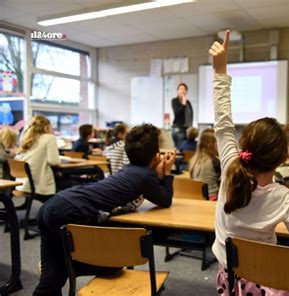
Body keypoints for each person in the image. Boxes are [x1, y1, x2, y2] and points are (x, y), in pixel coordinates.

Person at [209, 30, 289, 296]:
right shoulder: (284, 197)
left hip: (229, 281)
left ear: (245, 146)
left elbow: (222, 123)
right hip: (266, 282)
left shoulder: (230, 169)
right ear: (281, 159)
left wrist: (220, 71)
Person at [33, 123, 176, 296]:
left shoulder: (128, 170)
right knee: (113, 265)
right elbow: (165, 200)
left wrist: (157, 173)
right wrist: (167, 172)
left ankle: (59, 266)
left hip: (54, 204)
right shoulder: (145, 176)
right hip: (70, 212)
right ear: (155, 157)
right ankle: (66, 264)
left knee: (50, 280)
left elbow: (150, 190)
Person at [15, 115, 60, 197]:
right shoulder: (49, 138)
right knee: (65, 181)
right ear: (46, 127)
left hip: (24, 180)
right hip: (39, 181)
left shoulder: (26, 137)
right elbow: (54, 161)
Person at [189, 128, 220, 201]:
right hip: (212, 199)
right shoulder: (214, 161)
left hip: (196, 197)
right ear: (213, 144)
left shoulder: (194, 160)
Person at [171, 82, 193, 148]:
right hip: (178, 128)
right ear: (177, 91)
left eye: (184, 89)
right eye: (180, 89)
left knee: (185, 149)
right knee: (180, 149)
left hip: (187, 129)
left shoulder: (188, 102)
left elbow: (190, 115)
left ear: (186, 91)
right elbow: (177, 113)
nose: (182, 91)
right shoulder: (175, 101)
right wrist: (183, 103)